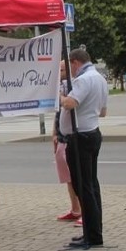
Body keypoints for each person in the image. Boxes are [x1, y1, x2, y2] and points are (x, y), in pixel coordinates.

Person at [59, 48, 109, 249]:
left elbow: (70, 103)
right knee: (91, 185)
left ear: (74, 62)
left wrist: (60, 97)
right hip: (92, 132)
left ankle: (92, 235)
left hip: (80, 138)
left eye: (68, 66)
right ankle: (93, 230)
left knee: (84, 187)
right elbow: (103, 112)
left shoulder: (83, 80)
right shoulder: (100, 79)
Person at [52, 64, 81, 223]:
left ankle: (83, 211)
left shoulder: (75, 86)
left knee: (77, 176)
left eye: (62, 70)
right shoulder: (59, 87)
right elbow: (57, 112)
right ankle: (75, 209)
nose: (59, 73)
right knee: (67, 177)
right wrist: (54, 133)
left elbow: (69, 106)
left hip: (72, 138)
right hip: (61, 137)